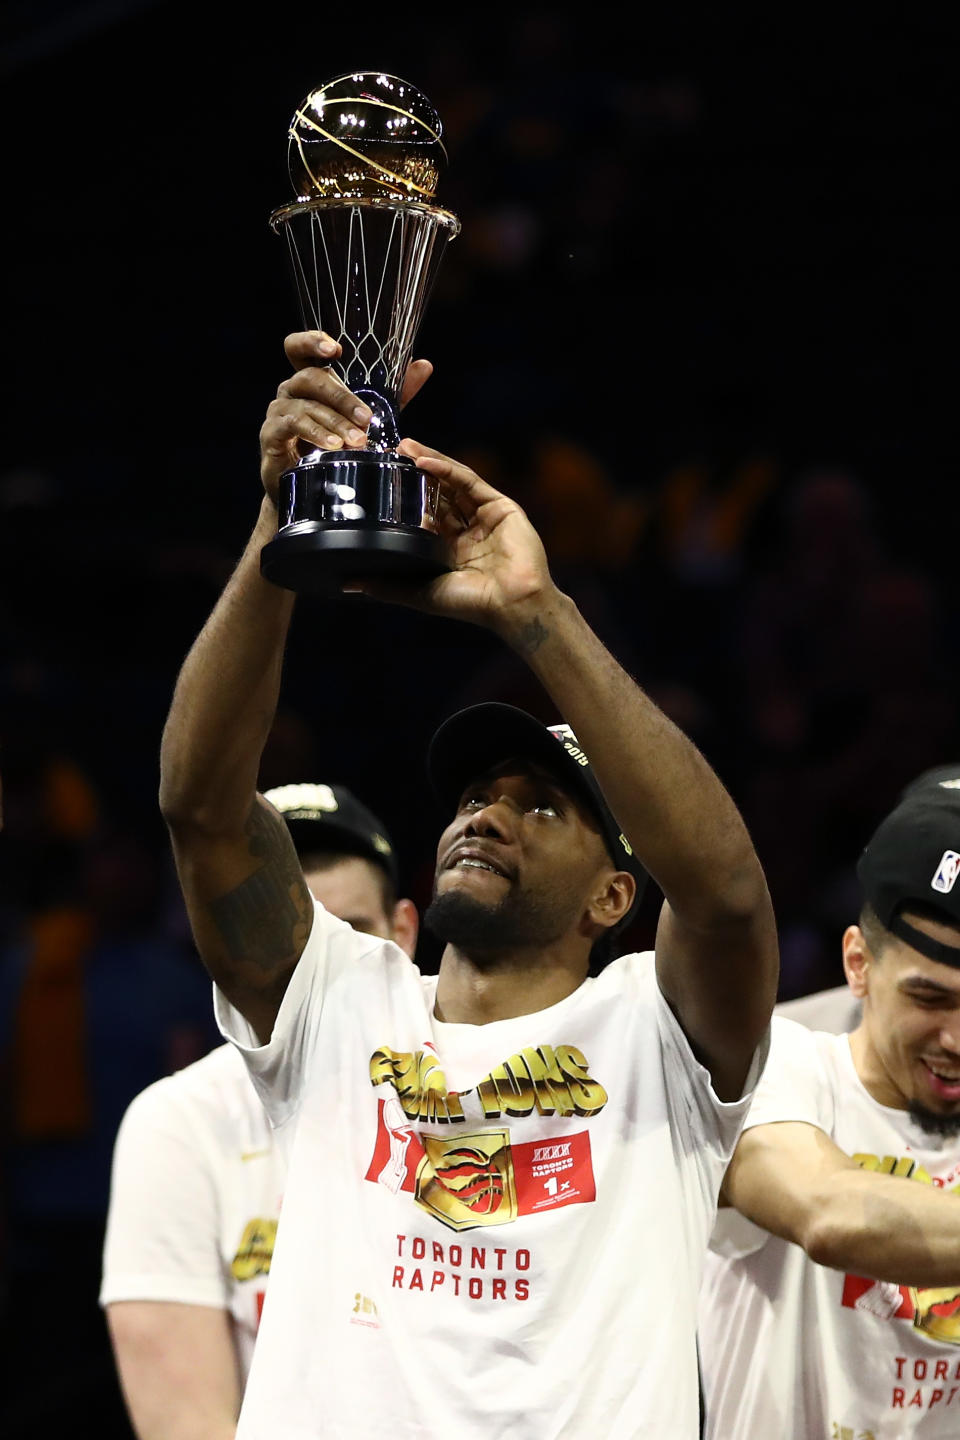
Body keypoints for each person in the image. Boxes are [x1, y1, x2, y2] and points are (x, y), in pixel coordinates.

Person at [157, 329, 778, 1439]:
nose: (486, 813)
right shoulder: (339, 1000)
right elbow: (203, 809)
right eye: (476, 795)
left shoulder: (659, 1035)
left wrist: (534, 611)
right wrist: (283, 524)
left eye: (543, 806)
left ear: (613, 900)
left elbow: (726, 895)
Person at [100, 783, 417, 1440]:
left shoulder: (500, 1095)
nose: (312, 977)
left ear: (404, 934)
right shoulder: (179, 1123)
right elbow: (186, 1424)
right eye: (281, 940)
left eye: (350, 937)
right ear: (223, 944)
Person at [699, 770, 960, 1438]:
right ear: (857, 963)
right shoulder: (775, 1066)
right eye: (930, 999)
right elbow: (832, 1215)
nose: (956, 1039)